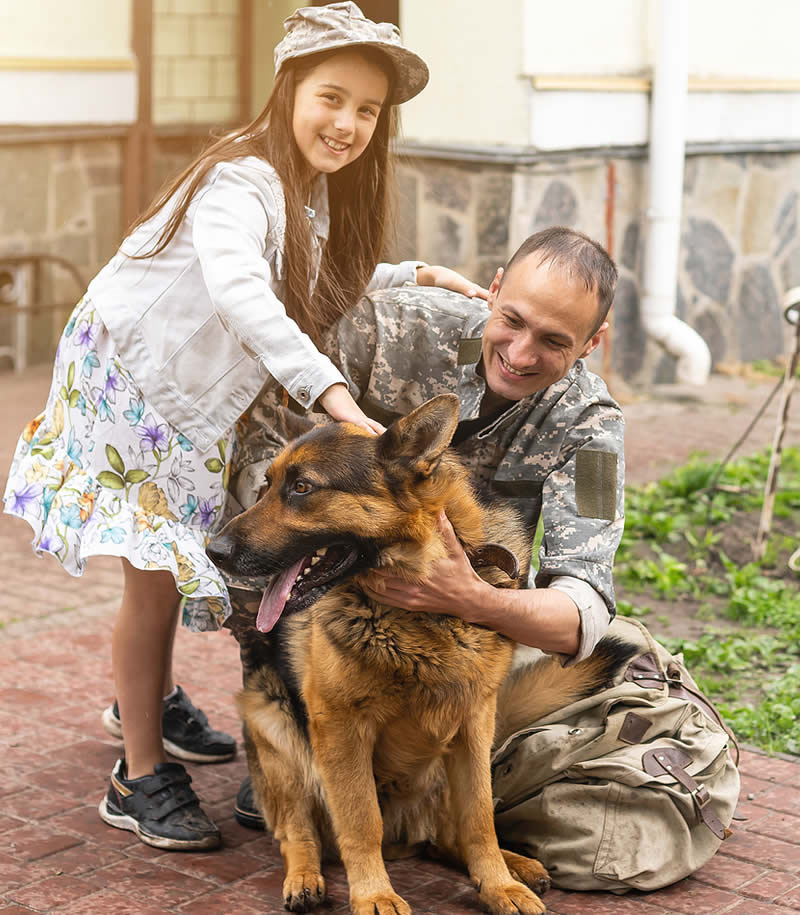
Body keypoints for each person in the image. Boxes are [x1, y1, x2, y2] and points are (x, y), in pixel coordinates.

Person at [2, 1, 486, 852]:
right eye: (332, 97)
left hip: (187, 399)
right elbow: (242, 290)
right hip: (132, 379)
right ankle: (138, 772)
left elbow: (311, 271)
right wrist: (336, 397)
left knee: (183, 549)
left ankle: (140, 696)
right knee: (152, 572)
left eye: (367, 111)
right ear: (290, 86)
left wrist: (415, 270)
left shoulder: (303, 188)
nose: (347, 124)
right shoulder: (240, 178)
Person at [217, 226, 739, 892]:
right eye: (512, 320)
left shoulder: (593, 430)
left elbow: (584, 605)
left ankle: (452, 821)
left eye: (554, 341)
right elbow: (265, 388)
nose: (520, 354)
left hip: (467, 621)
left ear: (592, 342)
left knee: (619, 655)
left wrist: (469, 597)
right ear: (492, 290)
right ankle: (295, 751)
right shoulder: (405, 326)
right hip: (331, 612)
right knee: (263, 546)